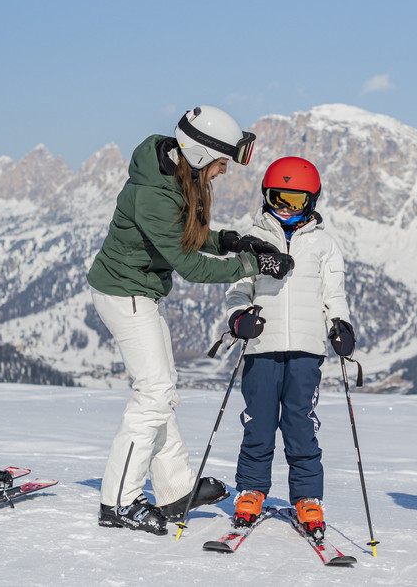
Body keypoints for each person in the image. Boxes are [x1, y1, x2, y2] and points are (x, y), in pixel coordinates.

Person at [88, 105, 295, 535]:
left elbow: (191, 237)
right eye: (220, 164)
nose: (222, 172)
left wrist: (231, 241)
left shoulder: (173, 176)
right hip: (124, 294)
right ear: (199, 155)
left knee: (162, 393)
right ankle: (119, 502)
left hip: (140, 292)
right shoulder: (153, 194)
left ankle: (175, 490)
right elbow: (191, 266)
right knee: (153, 394)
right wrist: (254, 265)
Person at [223, 156, 354, 541]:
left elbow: (335, 295)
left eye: (296, 201)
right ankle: (251, 490)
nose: (285, 207)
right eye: (279, 197)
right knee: (258, 422)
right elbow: (236, 290)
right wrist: (238, 319)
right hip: (261, 345)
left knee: (300, 424)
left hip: (307, 350)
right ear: (266, 196)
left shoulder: (325, 245)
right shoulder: (253, 239)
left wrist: (340, 324)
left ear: (311, 201)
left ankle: (308, 497)